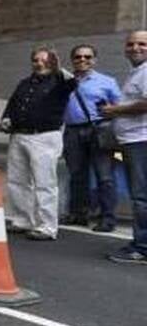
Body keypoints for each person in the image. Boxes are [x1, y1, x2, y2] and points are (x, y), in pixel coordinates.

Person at [0, 48, 77, 241]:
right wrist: (6, 119)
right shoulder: (24, 83)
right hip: (18, 136)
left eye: (44, 60)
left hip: (45, 137)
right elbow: (12, 104)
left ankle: (47, 226)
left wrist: (59, 69)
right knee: (17, 181)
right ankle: (23, 220)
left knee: (44, 183)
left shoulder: (60, 81)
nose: (39, 63)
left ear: (52, 63)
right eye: (35, 60)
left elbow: (72, 84)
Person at [97, 30, 147, 264]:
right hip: (133, 141)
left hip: (140, 141)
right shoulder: (137, 72)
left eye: (142, 44)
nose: (135, 48)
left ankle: (142, 248)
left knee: (141, 196)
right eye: (131, 44)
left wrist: (113, 110)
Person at [60, 44, 121, 232]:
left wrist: (111, 113)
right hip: (72, 132)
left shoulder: (107, 81)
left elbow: (119, 107)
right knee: (77, 175)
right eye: (78, 57)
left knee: (104, 177)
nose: (82, 60)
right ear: (73, 60)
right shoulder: (64, 82)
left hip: (99, 130)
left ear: (94, 60)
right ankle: (79, 214)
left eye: (87, 57)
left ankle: (107, 218)